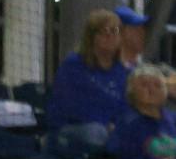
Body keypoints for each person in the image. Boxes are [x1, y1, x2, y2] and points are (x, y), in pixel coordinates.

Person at [46, 10, 129, 145]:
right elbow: (70, 106)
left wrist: (117, 126)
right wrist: (106, 124)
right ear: (91, 37)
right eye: (103, 31)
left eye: (114, 31)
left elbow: (125, 108)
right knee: (96, 132)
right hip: (72, 128)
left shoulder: (123, 72)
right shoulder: (73, 65)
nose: (109, 35)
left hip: (110, 130)